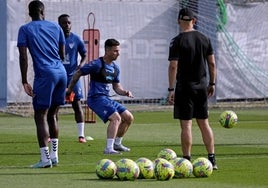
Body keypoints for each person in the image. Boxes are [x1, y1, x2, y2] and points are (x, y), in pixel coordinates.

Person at [17, 0, 67, 168]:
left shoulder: (25, 29)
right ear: (43, 12)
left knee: (40, 116)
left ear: (29, 13)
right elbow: (62, 54)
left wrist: (24, 80)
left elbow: (23, 57)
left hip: (45, 75)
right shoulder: (56, 27)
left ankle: (45, 159)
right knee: (53, 115)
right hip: (61, 73)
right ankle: (54, 156)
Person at [167, 8, 218, 170]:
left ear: (178, 21)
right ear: (194, 21)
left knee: (186, 126)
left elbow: (173, 66)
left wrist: (170, 89)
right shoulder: (205, 38)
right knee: (204, 123)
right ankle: (212, 159)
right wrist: (212, 83)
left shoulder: (177, 41)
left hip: (185, 87)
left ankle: (187, 160)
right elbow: (212, 63)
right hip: (202, 87)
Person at [66, 38, 134, 154]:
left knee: (128, 117)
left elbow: (116, 87)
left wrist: (125, 92)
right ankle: (108, 148)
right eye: (115, 51)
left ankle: (117, 144)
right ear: (107, 51)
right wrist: (70, 89)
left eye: (118, 51)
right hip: (95, 99)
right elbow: (78, 72)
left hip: (106, 99)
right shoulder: (97, 64)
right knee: (116, 118)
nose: (118, 53)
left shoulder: (115, 68)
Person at [58, 14, 88, 143]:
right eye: (64, 23)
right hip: (58, 77)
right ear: (59, 24)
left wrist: (81, 65)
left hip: (72, 78)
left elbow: (85, 55)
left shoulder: (76, 39)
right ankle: (51, 135)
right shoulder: (54, 39)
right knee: (55, 106)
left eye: (69, 23)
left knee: (77, 104)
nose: (67, 25)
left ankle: (81, 135)